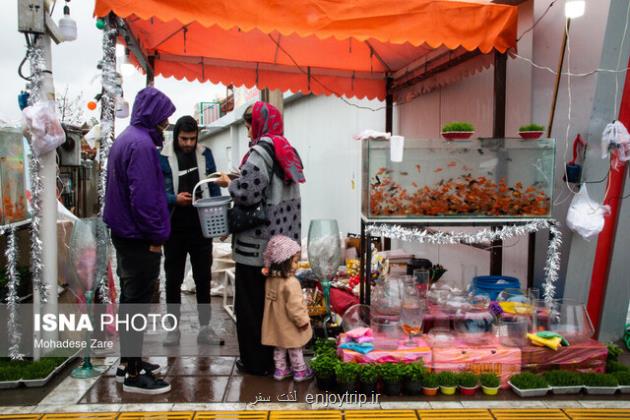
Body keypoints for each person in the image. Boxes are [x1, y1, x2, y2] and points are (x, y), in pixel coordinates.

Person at [215, 101, 304, 376]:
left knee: (251, 306)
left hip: (256, 246)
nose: (247, 131)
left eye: (247, 125)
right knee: (274, 306)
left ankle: (255, 363)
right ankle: (276, 361)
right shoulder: (285, 149)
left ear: (256, 124)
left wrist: (228, 183)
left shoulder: (259, 152)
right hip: (283, 243)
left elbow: (247, 194)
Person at [103, 86, 175, 394]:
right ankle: (133, 375)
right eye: (164, 118)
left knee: (131, 300)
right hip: (138, 236)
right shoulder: (143, 145)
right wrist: (157, 235)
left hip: (124, 233)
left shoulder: (126, 139)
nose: (166, 124)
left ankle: (127, 364)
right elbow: (144, 198)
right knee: (136, 305)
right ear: (153, 115)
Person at [159, 115, 221, 345]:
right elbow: (155, 192)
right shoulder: (163, 156)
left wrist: (219, 215)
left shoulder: (205, 154)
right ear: (176, 136)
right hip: (174, 226)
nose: (188, 143)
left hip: (201, 226)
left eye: (192, 139)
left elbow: (213, 186)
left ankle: (205, 329)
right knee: (172, 279)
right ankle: (173, 330)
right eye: (184, 139)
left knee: (203, 278)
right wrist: (173, 199)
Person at [261, 235, 313, 381]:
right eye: (295, 261)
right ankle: (300, 370)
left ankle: (280, 370)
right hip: (290, 324)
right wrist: (302, 321)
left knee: (279, 347)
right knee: (295, 346)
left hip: (277, 324)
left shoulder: (271, 280)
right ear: (284, 262)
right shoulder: (291, 282)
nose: (296, 265)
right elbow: (295, 306)